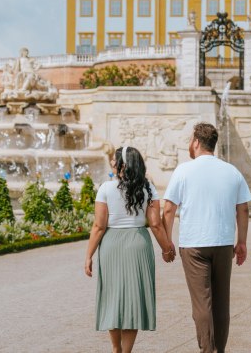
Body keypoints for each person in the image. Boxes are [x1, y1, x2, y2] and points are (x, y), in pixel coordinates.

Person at [162, 123, 251, 353]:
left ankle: (206, 349)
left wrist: (166, 242)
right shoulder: (232, 171)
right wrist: (241, 242)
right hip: (223, 243)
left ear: (196, 142)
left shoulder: (184, 170)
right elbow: (243, 209)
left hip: (193, 244)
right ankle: (218, 349)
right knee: (221, 303)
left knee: (202, 303)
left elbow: (169, 209)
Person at [84, 146, 174, 353]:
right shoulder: (149, 188)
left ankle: (115, 349)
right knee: (133, 300)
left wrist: (88, 256)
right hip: (138, 244)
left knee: (112, 297)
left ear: (120, 164)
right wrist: (166, 249)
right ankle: (126, 352)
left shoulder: (105, 188)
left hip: (111, 244)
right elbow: (155, 224)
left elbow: (98, 226)